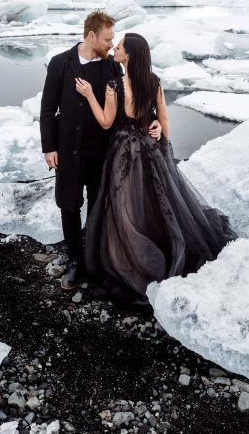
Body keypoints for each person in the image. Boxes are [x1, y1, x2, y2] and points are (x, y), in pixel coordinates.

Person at [75, 32, 233, 304]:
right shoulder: (154, 82)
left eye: (121, 46)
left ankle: (131, 257)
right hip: (150, 148)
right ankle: (159, 244)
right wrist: (165, 148)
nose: (116, 48)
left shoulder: (114, 85)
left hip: (124, 150)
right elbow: (163, 117)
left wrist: (90, 95)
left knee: (125, 204)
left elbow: (104, 122)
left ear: (129, 56)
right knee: (157, 200)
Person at [39, 11, 161, 292]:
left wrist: (152, 118)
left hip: (102, 152)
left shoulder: (110, 66)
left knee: (97, 206)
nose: (111, 43)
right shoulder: (60, 64)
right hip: (68, 151)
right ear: (91, 35)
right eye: (107, 39)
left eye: (113, 39)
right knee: (69, 206)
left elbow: (128, 98)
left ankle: (94, 259)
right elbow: (48, 109)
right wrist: (49, 147)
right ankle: (75, 262)